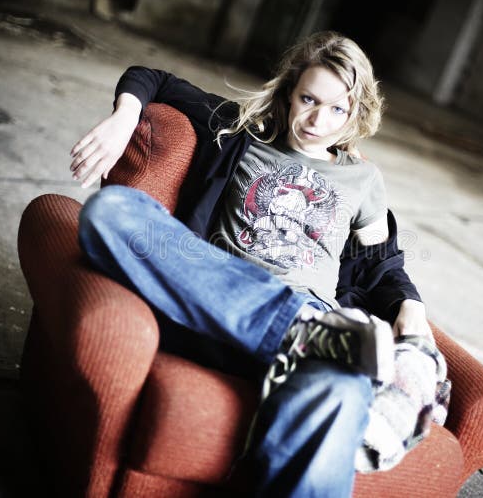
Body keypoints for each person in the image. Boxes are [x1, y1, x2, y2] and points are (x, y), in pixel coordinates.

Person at [69, 31, 433, 496]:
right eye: (309, 99)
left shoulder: (363, 179)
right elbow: (152, 78)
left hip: (324, 328)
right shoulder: (240, 132)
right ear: (288, 92)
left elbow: (381, 264)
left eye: (337, 109)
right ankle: (294, 329)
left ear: (355, 114)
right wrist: (124, 118)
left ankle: (306, 331)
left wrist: (409, 302)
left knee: (343, 390)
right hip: (218, 308)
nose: (318, 121)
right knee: (110, 212)